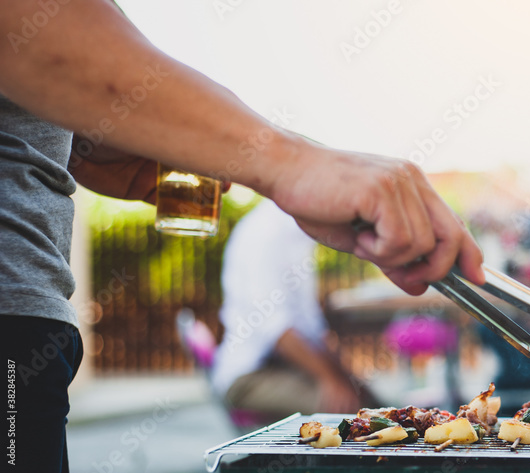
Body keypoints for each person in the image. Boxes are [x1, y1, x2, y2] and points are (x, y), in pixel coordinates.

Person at [0, 2, 484, 472]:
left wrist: (84, 141)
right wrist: (289, 161)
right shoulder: (272, 231)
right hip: (16, 319)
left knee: (371, 406)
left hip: (31, 315)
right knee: (357, 416)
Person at [211, 199, 370, 422]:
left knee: (372, 404)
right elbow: (276, 328)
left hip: (287, 368)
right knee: (349, 416)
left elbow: (310, 326)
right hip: (250, 376)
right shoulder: (266, 232)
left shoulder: (298, 232)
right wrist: (330, 379)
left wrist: (343, 374)